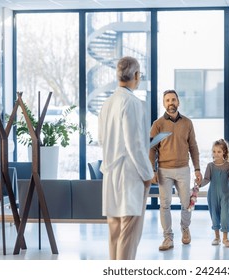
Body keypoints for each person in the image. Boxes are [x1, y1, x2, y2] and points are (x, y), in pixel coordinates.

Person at [98, 56, 153, 260]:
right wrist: (147, 174)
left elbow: (102, 139)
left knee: (114, 233)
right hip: (129, 175)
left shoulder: (107, 103)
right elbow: (135, 144)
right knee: (128, 234)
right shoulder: (132, 102)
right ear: (136, 76)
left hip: (110, 173)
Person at [150, 89, 203, 251]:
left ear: (178, 102)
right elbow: (152, 148)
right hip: (164, 170)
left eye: (173, 100)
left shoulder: (187, 123)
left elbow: (193, 147)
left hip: (183, 169)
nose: (170, 103)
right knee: (164, 205)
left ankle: (185, 229)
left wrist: (197, 169)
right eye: (167, 100)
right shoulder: (158, 125)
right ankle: (167, 238)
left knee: (186, 204)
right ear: (164, 103)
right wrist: (152, 170)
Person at [199, 139, 229, 248]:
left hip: (225, 195)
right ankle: (217, 237)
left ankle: (225, 238)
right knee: (215, 215)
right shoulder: (210, 166)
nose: (216, 154)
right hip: (212, 195)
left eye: (219, 152)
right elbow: (206, 179)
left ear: (224, 153)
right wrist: (198, 185)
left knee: (225, 215)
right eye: (214, 151)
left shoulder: (228, 166)